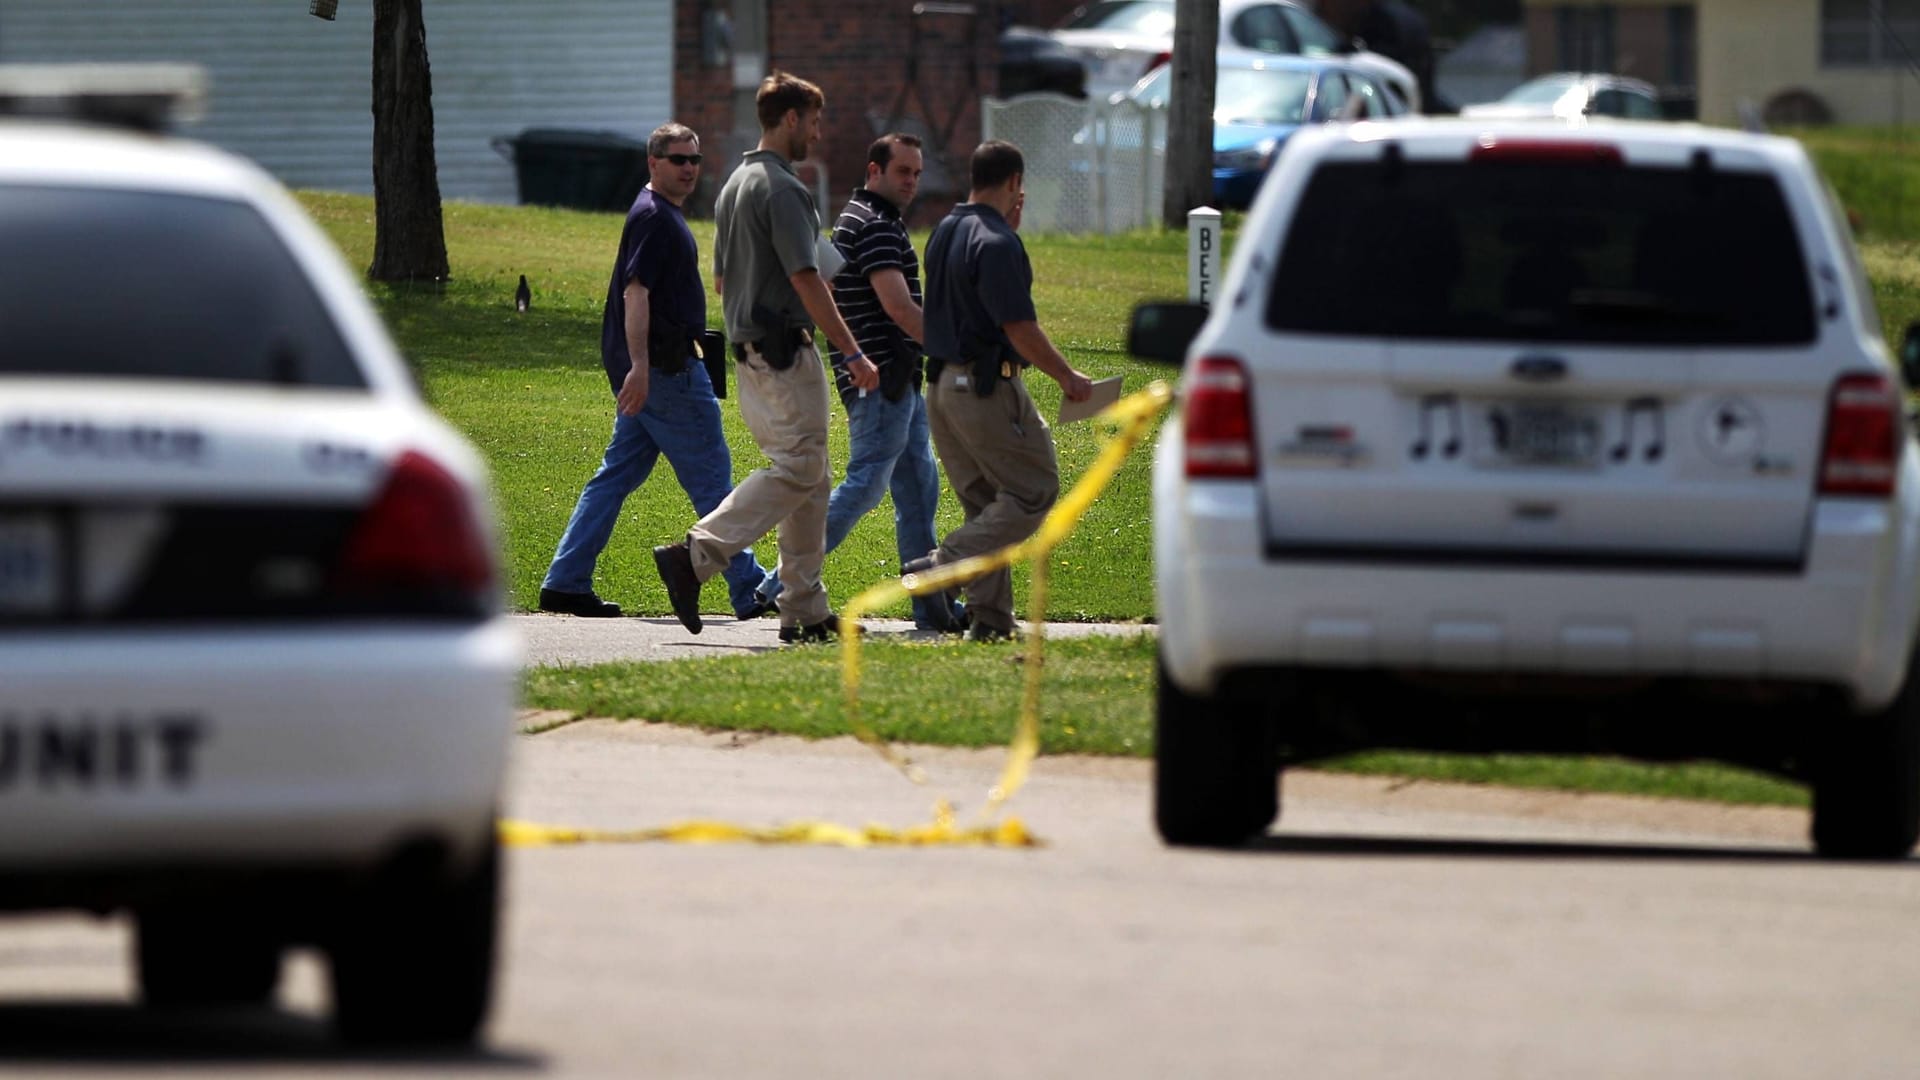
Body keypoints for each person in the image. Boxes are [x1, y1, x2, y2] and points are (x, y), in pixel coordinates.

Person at [652, 72, 878, 643]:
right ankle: (697, 553)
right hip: (783, 353)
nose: (820, 134)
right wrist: (850, 349)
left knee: (812, 476)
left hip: (751, 352)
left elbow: (724, 280)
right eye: (816, 121)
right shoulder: (783, 188)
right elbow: (806, 276)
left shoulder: (735, 184)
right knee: (800, 467)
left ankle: (803, 607)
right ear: (792, 119)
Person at [539, 122, 779, 622]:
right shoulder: (653, 216)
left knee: (613, 478)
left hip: (657, 373)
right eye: (677, 159)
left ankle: (564, 580)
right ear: (654, 163)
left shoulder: (658, 212)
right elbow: (636, 293)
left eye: (694, 159)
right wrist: (642, 368)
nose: (689, 168)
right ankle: (749, 588)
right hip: (667, 373)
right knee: (713, 482)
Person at [913, 140, 1092, 642]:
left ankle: (989, 622)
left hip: (942, 386)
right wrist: (1066, 376)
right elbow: (1018, 327)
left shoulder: (945, 230)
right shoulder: (996, 242)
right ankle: (942, 566)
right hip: (985, 387)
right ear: (1015, 182)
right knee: (1034, 490)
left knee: (986, 504)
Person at [801, 131, 967, 632]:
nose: (912, 182)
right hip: (880, 380)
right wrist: (958, 351)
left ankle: (930, 602)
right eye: (903, 172)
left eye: (917, 173)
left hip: (896, 382)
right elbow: (899, 309)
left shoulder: (862, 217)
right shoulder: (873, 224)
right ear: (874, 171)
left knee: (918, 488)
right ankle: (780, 583)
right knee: (864, 487)